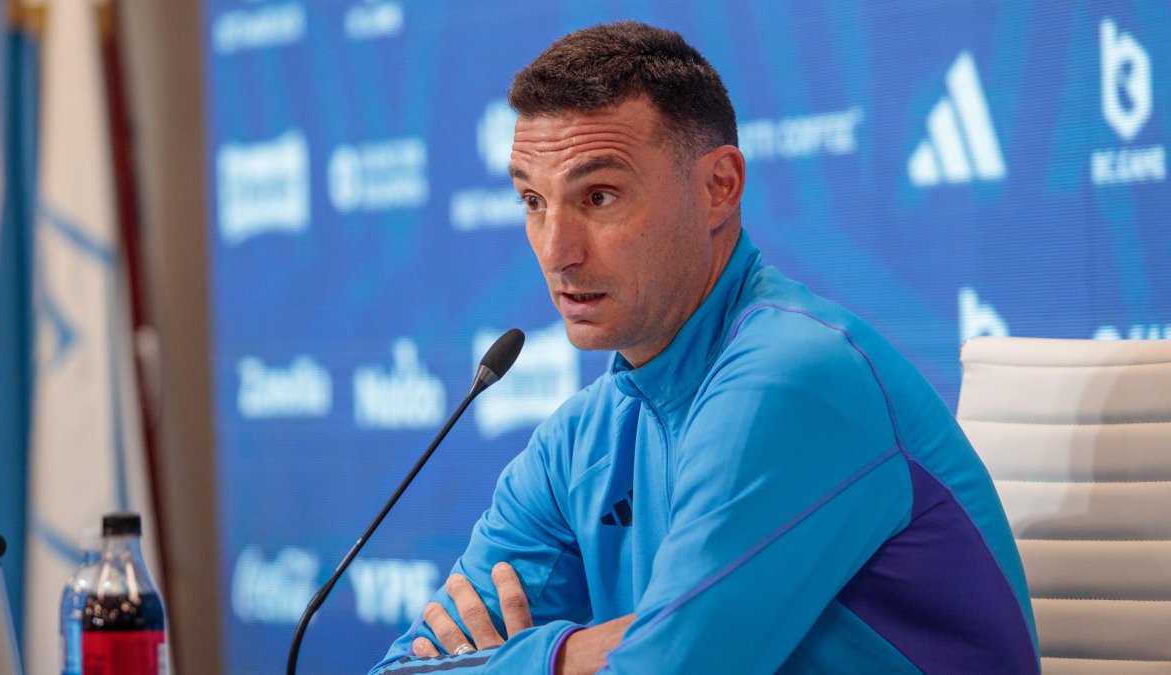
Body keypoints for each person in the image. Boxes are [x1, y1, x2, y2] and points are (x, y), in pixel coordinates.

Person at [371, 21, 1038, 674]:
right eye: (533, 201)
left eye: (598, 196)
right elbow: (399, 669)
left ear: (719, 187)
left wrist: (523, 658)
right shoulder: (579, 441)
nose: (557, 252)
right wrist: (568, 654)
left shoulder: (792, 378)